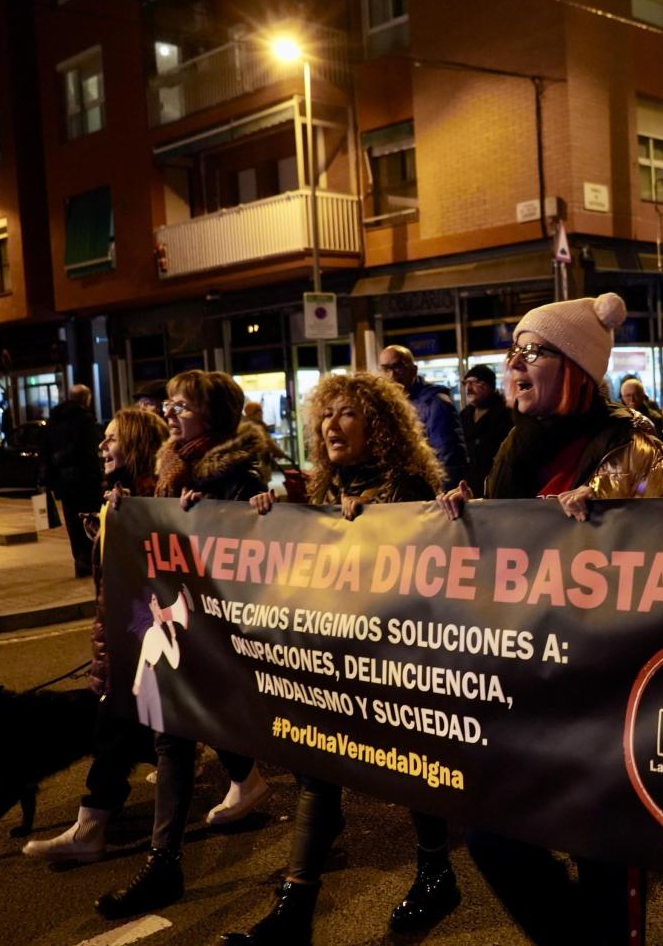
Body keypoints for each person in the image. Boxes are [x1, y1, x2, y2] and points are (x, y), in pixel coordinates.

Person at [437, 292, 663, 944]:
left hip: (604, 712)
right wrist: (470, 521)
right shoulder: (517, 447)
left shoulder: (635, 452)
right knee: (494, 841)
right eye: (512, 349)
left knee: (606, 877)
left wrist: (605, 519)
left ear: (574, 366)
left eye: (533, 351)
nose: (513, 362)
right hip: (526, 697)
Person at [227, 372, 459, 944]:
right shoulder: (324, 490)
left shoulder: (405, 486)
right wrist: (271, 511)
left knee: (412, 764)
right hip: (337, 661)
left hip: (396, 661)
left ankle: (436, 871)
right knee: (316, 765)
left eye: (347, 413)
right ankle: (295, 907)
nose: (332, 424)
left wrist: (376, 524)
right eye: (326, 415)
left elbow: (427, 573)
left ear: (378, 424)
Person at [95, 370, 273, 920]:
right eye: (169, 404)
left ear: (213, 415)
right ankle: (164, 863)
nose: (170, 414)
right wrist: (133, 508)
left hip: (223, 633)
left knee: (208, 729)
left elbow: (261, 550)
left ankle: (304, 852)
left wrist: (240, 511)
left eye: (183, 406)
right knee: (171, 735)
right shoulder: (170, 467)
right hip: (180, 626)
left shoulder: (239, 472)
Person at [22, 408, 171, 863]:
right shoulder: (118, 497)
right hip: (126, 638)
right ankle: (242, 778)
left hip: (144, 641)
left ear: (137, 444)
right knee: (156, 726)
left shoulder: (151, 500)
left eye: (112, 439)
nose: (102, 447)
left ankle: (92, 828)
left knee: (113, 725)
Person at [379, 345, 467, 489]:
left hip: (429, 496)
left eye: (398, 367)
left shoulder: (435, 402)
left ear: (413, 370)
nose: (392, 375)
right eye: (385, 369)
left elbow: (449, 460)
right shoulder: (387, 404)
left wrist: (443, 499)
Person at [41, 384, 104, 577]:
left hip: (64, 483)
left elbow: (45, 451)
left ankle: (80, 563)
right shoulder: (85, 420)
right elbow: (90, 452)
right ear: (86, 399)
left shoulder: (53, 420)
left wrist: (49, 480)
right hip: (86, 481)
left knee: (73, 525)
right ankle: (94, 563)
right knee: (92, 522)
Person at [459, 364, 513, 498]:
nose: (469, 388)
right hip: (468, 485)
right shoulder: (464, 415)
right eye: (466, 383)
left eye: (476, 382)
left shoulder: (506, 414)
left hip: (495, 487)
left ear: (490, 386)